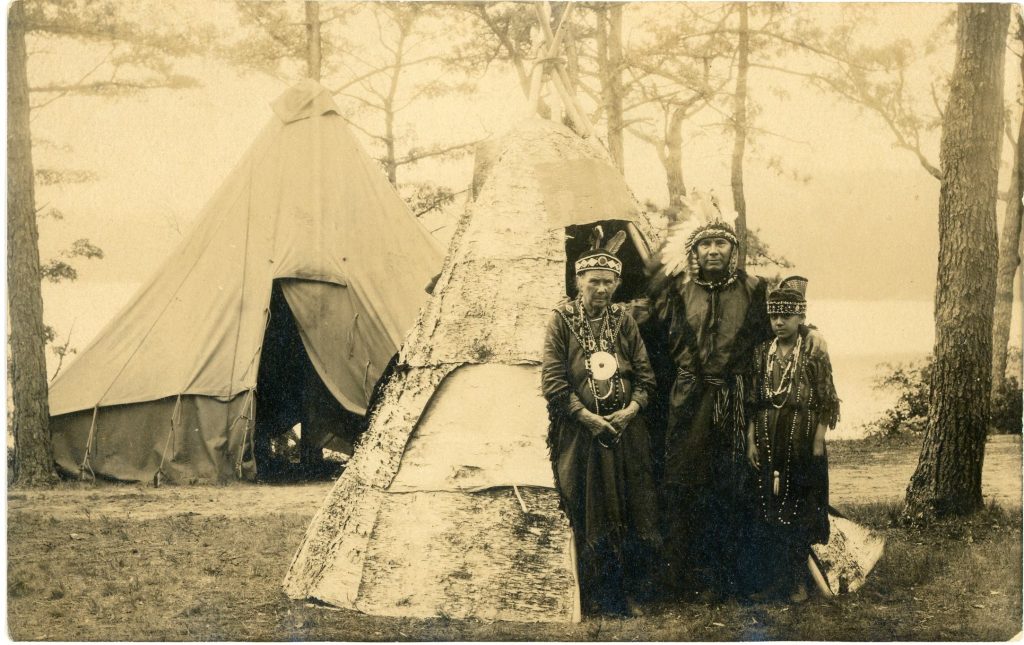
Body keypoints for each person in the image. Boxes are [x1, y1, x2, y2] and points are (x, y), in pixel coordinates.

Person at [646, 196, 825, 599]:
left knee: (738, 484)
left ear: (733, 250)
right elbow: (656, 334)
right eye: (705, 245)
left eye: (721, 244)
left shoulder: (755, 289)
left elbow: (784, 327)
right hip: (689, 399)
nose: (713, 251)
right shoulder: (676, 290)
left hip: (737, 398)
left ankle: (740, 578)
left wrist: (812, 336)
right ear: (694, 251)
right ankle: (689, 578)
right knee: (687, 483)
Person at [542, 243, 660, 617]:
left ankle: (633, 592)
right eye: (594, 282)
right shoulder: (561, 320)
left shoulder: (624, 320)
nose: (602, 290)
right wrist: (588, 418)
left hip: (627, 432)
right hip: (583, 434)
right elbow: (553, 381)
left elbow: (645, 376)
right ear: (579, 281)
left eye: (609, 283)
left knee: (633, 503)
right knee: (591, 507)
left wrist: (630, 411)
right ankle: (598, 595)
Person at [745, 278, 839, 602]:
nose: (779, 322)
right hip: (769, 434)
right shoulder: (762, 353)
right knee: (768, 508)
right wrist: (751, 440)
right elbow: (754, 401)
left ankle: (800, 582)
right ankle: (775, 582)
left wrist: (817, 442)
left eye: (786, 316)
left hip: (801, 436)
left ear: (801, 317)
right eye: (774, 316)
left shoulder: (813, 351)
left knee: (800, 508)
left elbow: (828, 400)